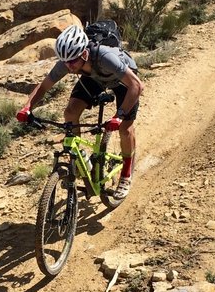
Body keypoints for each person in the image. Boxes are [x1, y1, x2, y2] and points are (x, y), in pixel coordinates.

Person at [16, 24, 143, 199]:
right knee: (70, 112)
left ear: (84, 53)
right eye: (65, 61)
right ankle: (79, 157)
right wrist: (27, 107)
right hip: (95, 77)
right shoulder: (70, 61)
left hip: (123, 81)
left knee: (125, 129)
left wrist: (119, 116)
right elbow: (44, 86)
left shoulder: (106, 57)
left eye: (72, 61)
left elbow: (136, 86)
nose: (68, 66)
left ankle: (126, 175)